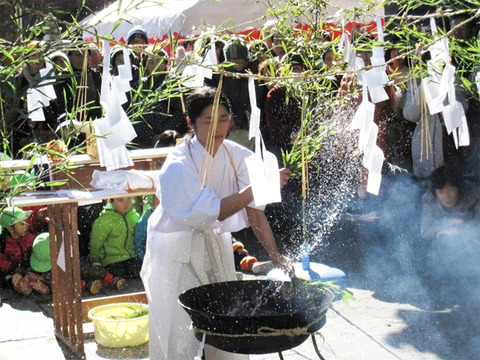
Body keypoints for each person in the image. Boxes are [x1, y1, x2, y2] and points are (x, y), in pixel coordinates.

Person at [141, 87, 291, 360]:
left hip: (214, 243)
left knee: (223, 325)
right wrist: (258, 186)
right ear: (190, 122)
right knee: (177, 329)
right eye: (208, 120)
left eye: (223, 118)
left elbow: (255, 212)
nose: (217, 127)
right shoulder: (178, 161)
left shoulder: (238, 155)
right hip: (176, 248)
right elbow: (211, 211)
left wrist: (275, 255)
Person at [90, 197, 141, 280]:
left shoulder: (134, 216)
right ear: (111, 202)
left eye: (129, 199)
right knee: (118, 278)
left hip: (132, 257)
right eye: (121, 200)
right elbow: (96, 243)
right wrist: (96, 261)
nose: (126, 203)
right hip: (112, 259)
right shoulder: (104, 220)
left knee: (139, 273)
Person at [0, 207, 48, 296]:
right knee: (13, 277)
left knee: (33, 274)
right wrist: (11, 267)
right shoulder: (3, 243)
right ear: (10, 229)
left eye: (26, 222)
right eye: (22, 224)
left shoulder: (30, 237)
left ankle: (31, 281)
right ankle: (17, 283)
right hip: (11, 270)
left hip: (27, 267)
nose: (26, 225)